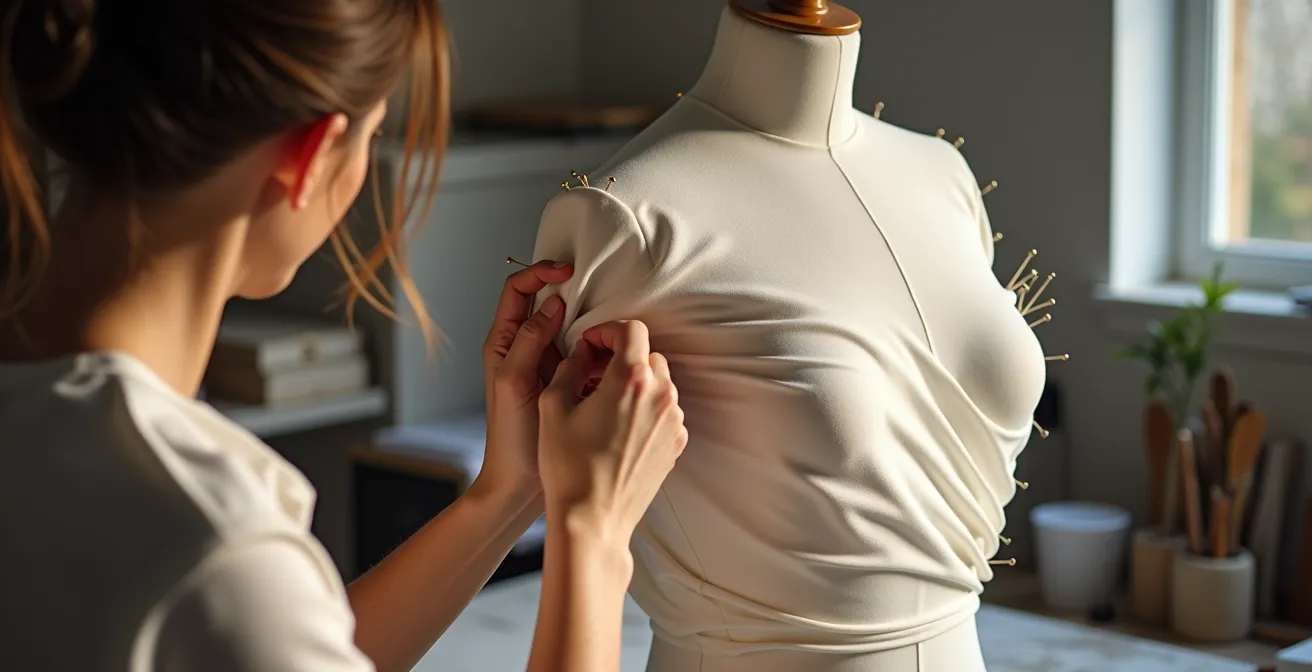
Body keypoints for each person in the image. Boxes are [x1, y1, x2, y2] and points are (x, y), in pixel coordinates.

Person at [0, 1, 688, 671]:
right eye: (373, 134)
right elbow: (234, 614)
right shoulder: (205, 549)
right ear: (311, 153)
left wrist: (510, 490)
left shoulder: (83, 458)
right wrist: (593, 533)